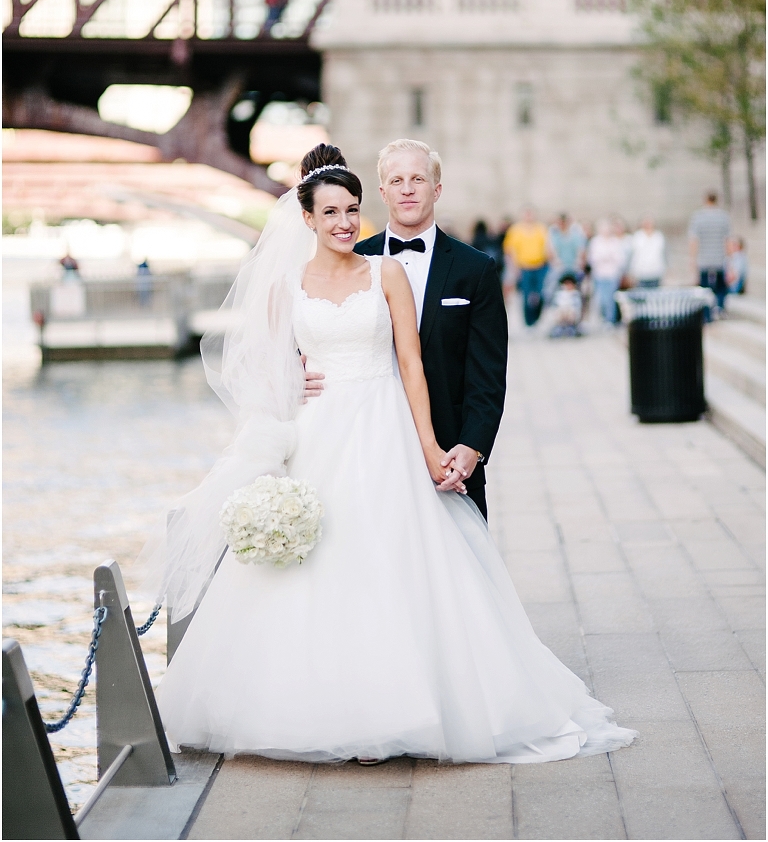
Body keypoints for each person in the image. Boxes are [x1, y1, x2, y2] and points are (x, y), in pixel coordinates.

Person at [149, 143, 636, 765]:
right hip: (320, 433)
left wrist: (438, 449)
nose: (346, 221)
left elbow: (417, 366)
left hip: (389, 431)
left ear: (433, 188)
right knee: (319, 561)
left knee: (396, 559)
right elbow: (262, 365)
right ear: (310, 219)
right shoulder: (291, 282)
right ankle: (317, 702)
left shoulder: (408, 272)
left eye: (352, 210)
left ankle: (416, 702)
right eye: (334, 211)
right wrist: (293, 381)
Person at [348, 139, 507, 520]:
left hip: (452, 453)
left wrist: (472, 446)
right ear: (383, 191)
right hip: (371, 443)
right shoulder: (355, 261)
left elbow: (488, 374)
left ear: (436, 189)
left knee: (463, 572)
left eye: (417, 179)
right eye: (397, 180)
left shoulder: (476, 269)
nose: (407, 189)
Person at [503, 207, 549, 327]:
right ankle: (528, 321)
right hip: (524, 267)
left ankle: (537, 317)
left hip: (540, 266)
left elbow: (547, 246)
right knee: (526, 295)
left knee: (540, 293)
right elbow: (510, 250)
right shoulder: (515, 230)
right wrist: (514, 267)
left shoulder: (541, 228)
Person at [688, 192, 731, 312]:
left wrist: (693, 259)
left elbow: (694, 240)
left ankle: (707, 313)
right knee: (721, 287)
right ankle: (720, 308)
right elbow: (727, 240)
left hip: (704, 258)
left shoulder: (698, 217)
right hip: (719, 257)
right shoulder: (723, 217)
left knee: (704, 288)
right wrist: (730, 259)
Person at [588, 220, 626, 324]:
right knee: (601, 299)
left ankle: (610, 320)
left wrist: (608, 257)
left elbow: (619, 258)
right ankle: (603, 318)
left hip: (612, 274)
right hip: (600, 274)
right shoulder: (595, 242)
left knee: (611, 300)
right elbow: (593, 258)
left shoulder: (615, 242)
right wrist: (605, 257)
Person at [629, 218, 666, 288]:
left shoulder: (658, 236)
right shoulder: (638, 236)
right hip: (641, 273)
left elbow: (662, 254)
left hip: (656, 272)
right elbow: (634, 255)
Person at [548, 273, 583, 338]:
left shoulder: (575, 294)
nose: (568, 286)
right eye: (566, 284)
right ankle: (559, 329)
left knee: (571, 312)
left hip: (571, 315)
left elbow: (577, 307)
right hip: (560, 314)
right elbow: (555, 305)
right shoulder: (559, 294)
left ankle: (571, 329)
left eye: (570, 284)